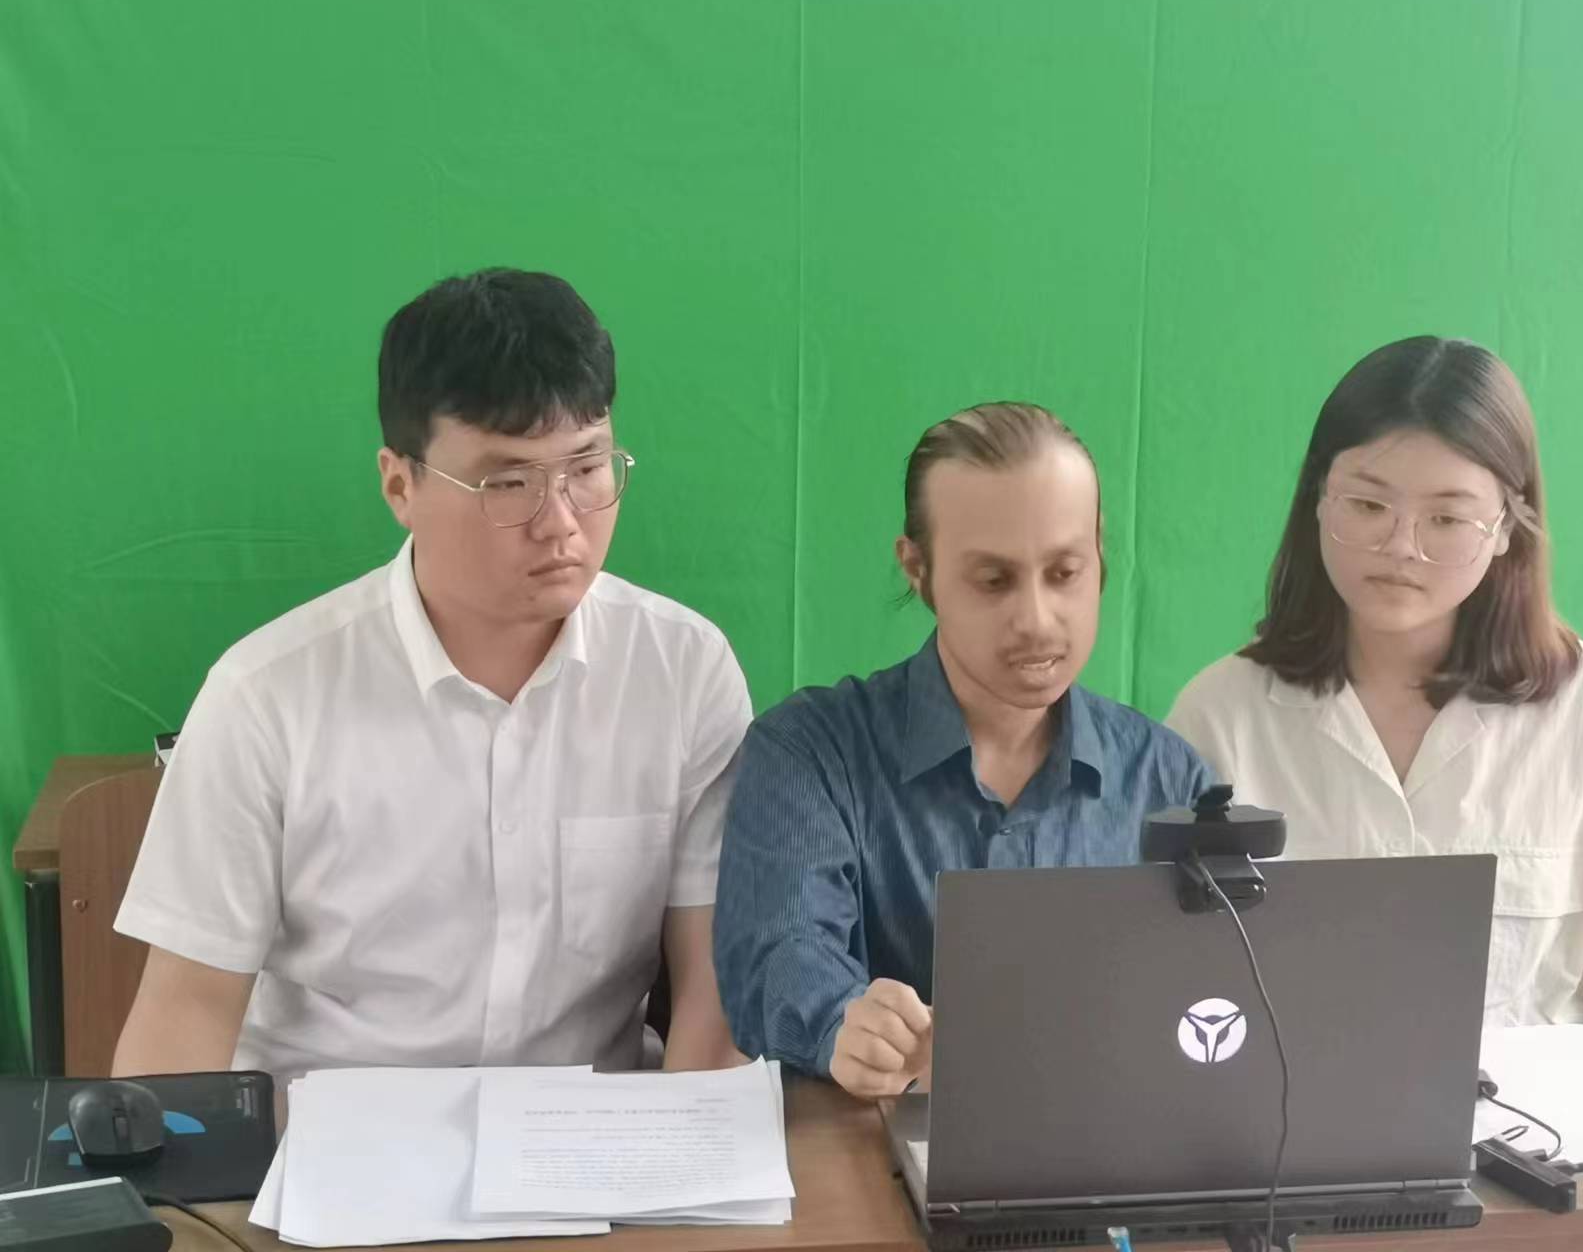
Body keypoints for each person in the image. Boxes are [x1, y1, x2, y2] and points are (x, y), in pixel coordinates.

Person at [113, 268, 751, 1082]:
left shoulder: (683, 672)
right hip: (328, 1135)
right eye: (509, 482)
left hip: (583, 1137)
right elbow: (187, 1011)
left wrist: (681, 1156)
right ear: (399, 485)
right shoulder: (265, 698)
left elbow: (714, 988)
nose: (561, 523)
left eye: (587, 469)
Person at [1167, 335, 1583, 1026]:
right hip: (1291, 1099)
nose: (1400, 547)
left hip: (1534, 1100)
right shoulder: (1220, 715)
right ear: (1318, 499)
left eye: (1447, 518)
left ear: (1507, 527)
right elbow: (1171, 971)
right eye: (1368, 506)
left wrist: (1565, 1086)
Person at [714, 402, 1211, 1098]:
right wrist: (841, 1025)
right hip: (874, 1149)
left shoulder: (1170, 780)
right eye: (994, 581)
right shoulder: (812, 752)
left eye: (1064, 572)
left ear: (1099, 554)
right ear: (917, 569)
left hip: (1114, 1149)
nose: (1036, 620)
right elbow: (780, 951)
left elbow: (1218, 1001)